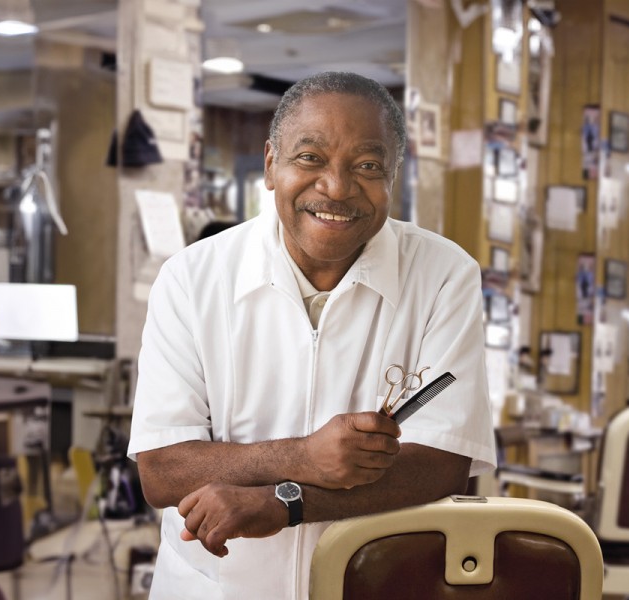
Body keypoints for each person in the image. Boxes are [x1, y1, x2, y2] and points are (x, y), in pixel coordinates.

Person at [127, 71, 497, 599]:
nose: (337, 187)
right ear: (271, 164)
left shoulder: (443, 275)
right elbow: (162, 469)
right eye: (310, 158)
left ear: (394, 177)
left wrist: (286, 501)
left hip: (374, 582)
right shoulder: (192, 278)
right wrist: (301, 457)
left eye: (368, 166)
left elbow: (441, 466)